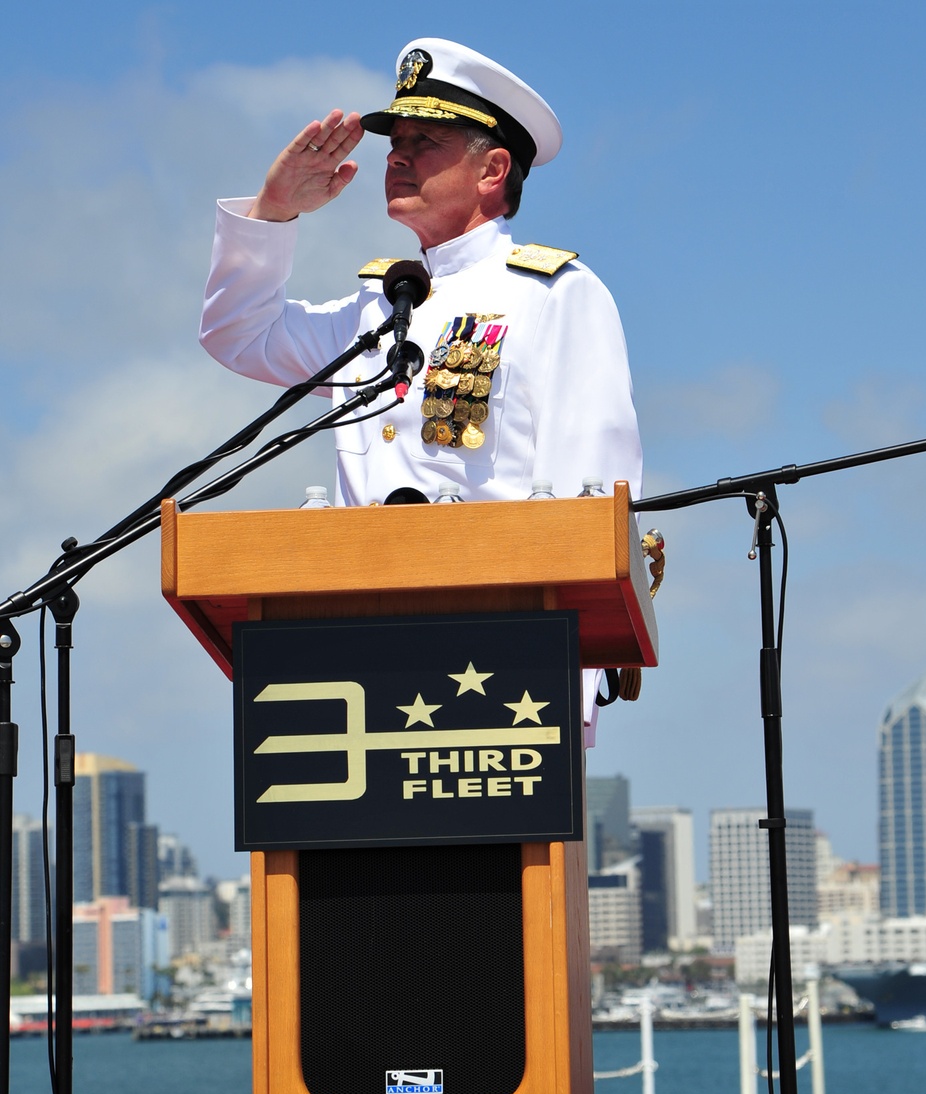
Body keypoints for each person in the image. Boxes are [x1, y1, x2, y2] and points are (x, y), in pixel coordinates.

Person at [200, 37, 643, 738]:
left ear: (493, 169)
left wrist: (568, 685)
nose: (396, 156)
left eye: (426, 141)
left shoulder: (554, 295)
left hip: (501, 668)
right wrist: (275, 207)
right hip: (355, 655)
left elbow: (592, 495)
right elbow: (238, 335)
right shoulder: (380, 304)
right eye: (394, 140)